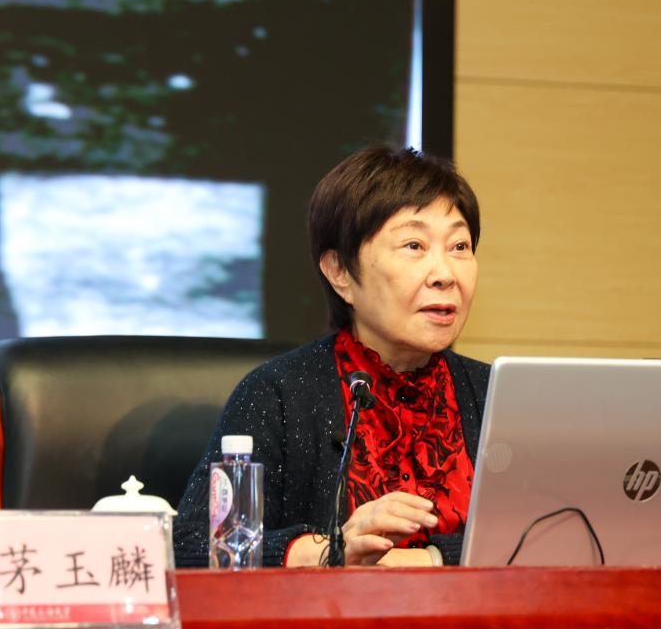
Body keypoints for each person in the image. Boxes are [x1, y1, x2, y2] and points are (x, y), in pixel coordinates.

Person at [173, 146, 488, 567]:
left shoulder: (492, 394)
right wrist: (330, 551)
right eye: (414, 245)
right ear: (340, 272)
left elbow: (550, 531)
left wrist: (426, 559)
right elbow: (192, 544)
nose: (445, 274)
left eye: (459, 246)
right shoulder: (279, 393)